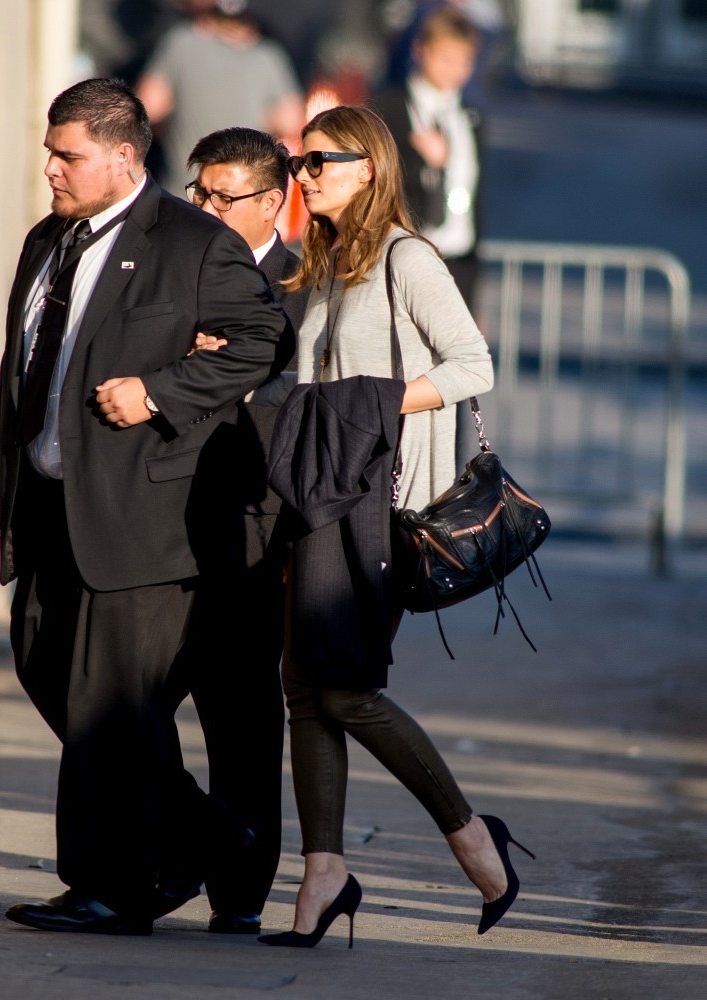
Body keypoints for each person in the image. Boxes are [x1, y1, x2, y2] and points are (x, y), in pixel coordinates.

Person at [0, 77, 292, 936]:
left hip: (140, 516)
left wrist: (160, 392)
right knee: (51, 674)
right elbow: (22, 366)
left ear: (122, 155)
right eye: (50, 151)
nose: (50, 169)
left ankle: (111, 886)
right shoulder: (49, 241)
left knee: (108, 705)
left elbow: (264, 339)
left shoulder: (191, 243)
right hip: (45, 503)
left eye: (67, 155)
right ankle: (211, 842)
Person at [255, 105, 534, 948]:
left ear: (369, 167)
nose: (304, 176)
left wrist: (374, 409)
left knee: (345, 689)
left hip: (388, 506)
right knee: (305, 689)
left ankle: (470, 835)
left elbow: (472, 363)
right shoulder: (327, 263)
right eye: (299, 164)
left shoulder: (408, 258)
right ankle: (325, 875)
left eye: (319, 163)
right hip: (319, 500)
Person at [175, 126, 309, 934]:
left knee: (241, 712)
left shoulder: (302, 280)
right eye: (198, 192)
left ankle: (241, 888)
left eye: (223, 197)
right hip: (158, 514)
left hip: (255, 523)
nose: (206, 208)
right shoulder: (174, 263)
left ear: (271, 202)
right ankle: (172, 850)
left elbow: (301, 396)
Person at [136, 0, 303, 197]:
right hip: (238, 199)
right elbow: (291, 123)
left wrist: (174, 125)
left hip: (182, 197)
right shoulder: (268, 57)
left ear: (208, 18)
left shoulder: (182, 42)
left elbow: (148, 108)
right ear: (252, 25)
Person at [376, 6, 482, 311]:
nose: (455, 70)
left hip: (459, 258)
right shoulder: (389, 108)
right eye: (446, 58)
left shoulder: (470, 118)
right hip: (406, 253)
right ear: (420, 50)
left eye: (464, 61)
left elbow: (476, 198)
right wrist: (423, 162)